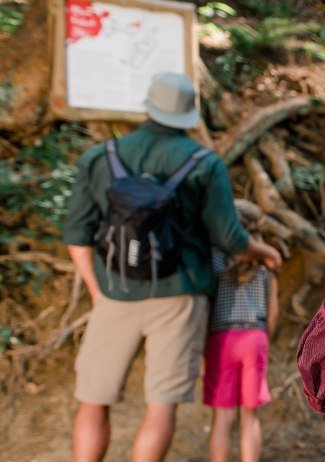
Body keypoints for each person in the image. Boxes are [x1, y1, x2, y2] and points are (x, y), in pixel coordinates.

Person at [61, 72, 281, 462]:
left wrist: (99, 292)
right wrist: (265, 250)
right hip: (180, 297)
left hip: (115, 292)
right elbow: (230, 238)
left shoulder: (99, 158)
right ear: (188, 114)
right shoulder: (204, 163)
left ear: (149, 105)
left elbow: (77, 237)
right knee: (161, 405)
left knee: (93, 400)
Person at [204, 237, 280, 462]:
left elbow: (206, 306)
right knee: (250, 415)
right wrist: (264, 339)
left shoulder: (214, 263)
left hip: (222, 338)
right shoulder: (264, 265)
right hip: (255, 337)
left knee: (222, 416)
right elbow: (273, 312)